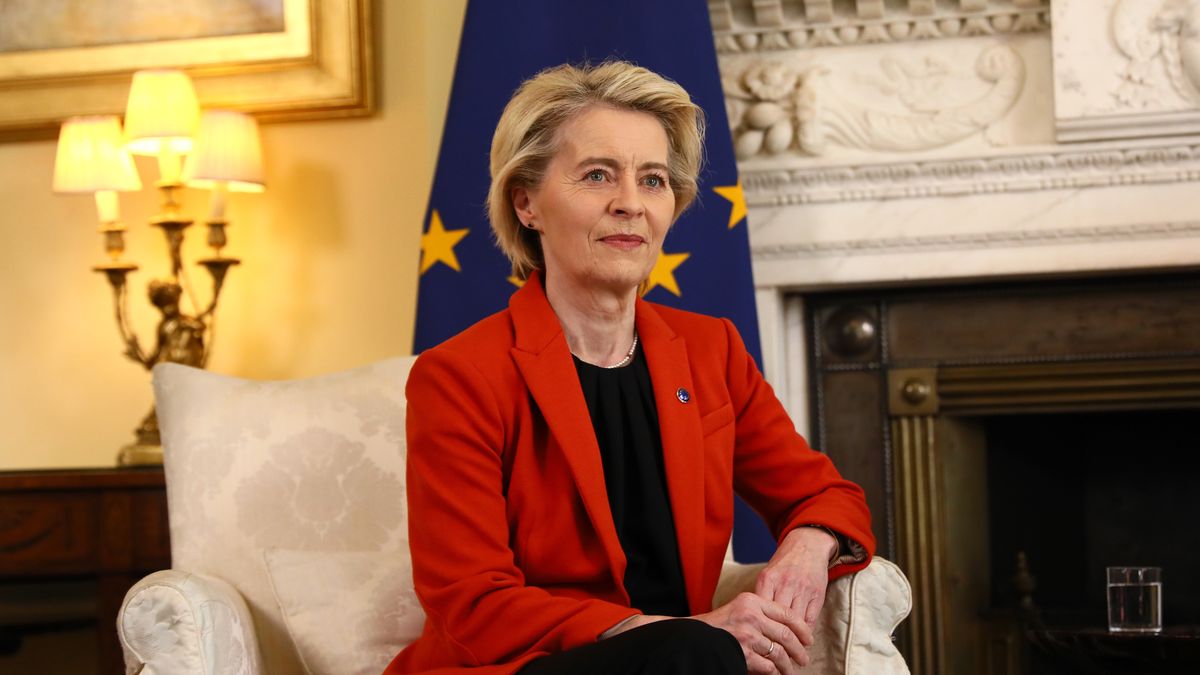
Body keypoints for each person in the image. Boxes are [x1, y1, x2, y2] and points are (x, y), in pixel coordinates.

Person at [386, 61, 874, 675]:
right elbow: (474, 603)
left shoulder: (710, 351)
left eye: (653, 180)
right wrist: (672, 633)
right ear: (526, 202)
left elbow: (826, 494)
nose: (630, 205)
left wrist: (807, 546)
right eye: (597, 176)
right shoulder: (459, 375)